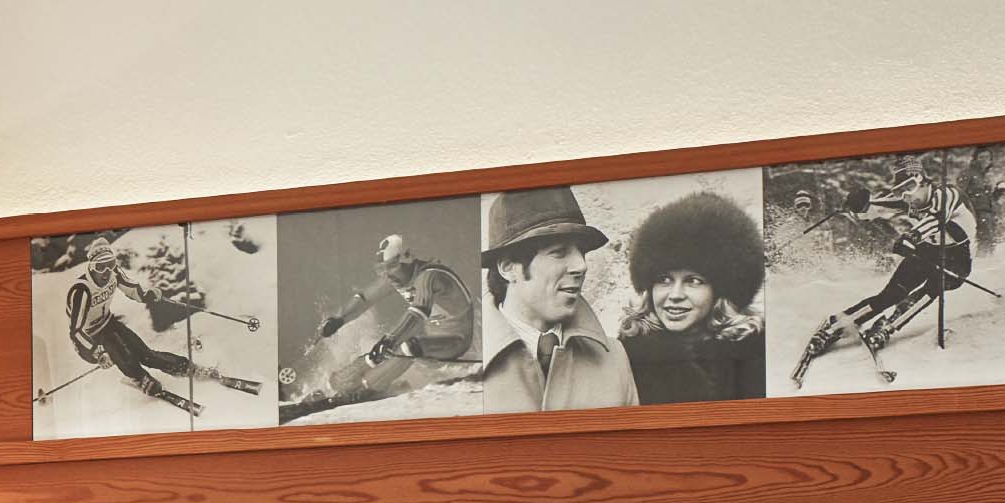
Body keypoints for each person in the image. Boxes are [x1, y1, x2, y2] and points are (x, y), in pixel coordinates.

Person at [790, 169, 976, 388]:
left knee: (932, 289)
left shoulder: (946, 194)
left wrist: (911, 236)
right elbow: (878, 207)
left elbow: (936, 220)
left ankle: (888, 325)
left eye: (909, 187)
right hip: (928, 249)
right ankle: (838, 324)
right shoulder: (911, 201)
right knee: (891, 294)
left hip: (958, 256)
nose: (906, 195)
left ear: (924, 182)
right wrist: (859, 205)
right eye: (900, 190)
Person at [477, 188, 638, 412]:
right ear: (508, 267)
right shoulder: (463, 368)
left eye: (582, 252)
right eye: (559, 252)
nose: (581, 266)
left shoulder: (614, 358)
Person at [283, 234, 477, 419]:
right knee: (383, 350)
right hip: (430, 337)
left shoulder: (429, 276)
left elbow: (418, 313)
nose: (387, 274)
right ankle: (335, 385)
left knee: (407, 346)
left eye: (391, 267)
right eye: (382, 269)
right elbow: (364, 298)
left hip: (454, 341)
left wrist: (389, 340)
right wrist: (338, 320)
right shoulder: (398, 275)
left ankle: (364, 390)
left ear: (407, 259)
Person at [618, 190, 767, 404]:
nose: (675, 295)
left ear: (721, 292)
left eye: (694, 281)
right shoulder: (627, 356)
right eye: (664, 279)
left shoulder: (753, 357)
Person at [64, 235, 237, 417]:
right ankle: (140, 378)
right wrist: (97, 353)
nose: (106, 271)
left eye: (111, 264)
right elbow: (76, 332)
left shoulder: (114, 274)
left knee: (145, 354)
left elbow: (132, 289)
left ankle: (185, 367)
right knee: (120, 351)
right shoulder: (81, 290)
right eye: (100, 266)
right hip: (88, 339)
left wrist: (148, 296)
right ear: (91, 267)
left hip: (108, 322)